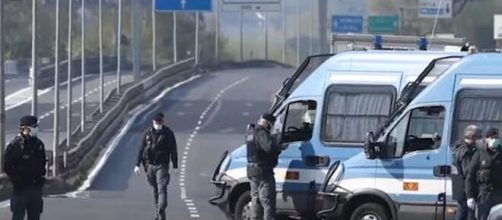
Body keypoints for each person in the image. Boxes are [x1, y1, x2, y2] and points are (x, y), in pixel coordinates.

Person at [134, 112, 178, 220]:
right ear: (153, 122)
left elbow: (173, 150)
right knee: (155, 188)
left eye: (160, 122)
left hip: (162, 165)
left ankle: (161, 209)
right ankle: (159, 213)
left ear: (163, 122)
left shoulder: (168, 134)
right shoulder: (148, 134)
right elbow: (141, 149)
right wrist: (137, 164)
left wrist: (175, 165)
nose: (158, 124)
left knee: (161, 188)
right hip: (150, 165)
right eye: (157, 123)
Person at [3, 115, 46, 220]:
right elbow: (7, 166)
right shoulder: (14, 145)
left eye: (36, 126)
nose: (35, 129)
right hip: (20, 189)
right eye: (33, 126)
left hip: (35, 188)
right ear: (24, 128)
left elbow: (42, 163)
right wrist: (16, 179)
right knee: (18, 216)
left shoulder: (38, 144)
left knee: (35, 216)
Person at [246, 113, 282, 220]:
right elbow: (269, 148)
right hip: (263, 172)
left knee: (256, 200)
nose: (272, 127)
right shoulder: (262, 133)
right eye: (272, 124)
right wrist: (279, 146)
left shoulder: (252, 132)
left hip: (252, 170)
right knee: (267, 201)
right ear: (267, 123)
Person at [466, 127, 502, 220]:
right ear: (486, 139)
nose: (494, 140)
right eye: (492, 138)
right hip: (484, 194)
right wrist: (470, 196)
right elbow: (470, 176)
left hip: (499, 194)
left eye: (496, 137)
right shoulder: (479, 154)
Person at [452, 125, 481, 220]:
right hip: (465, 192)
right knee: (467, 216)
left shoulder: (460, 148)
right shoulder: (466, 152)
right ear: (472, 137)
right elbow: (468, 172)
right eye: (478, 137)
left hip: (462, 191)